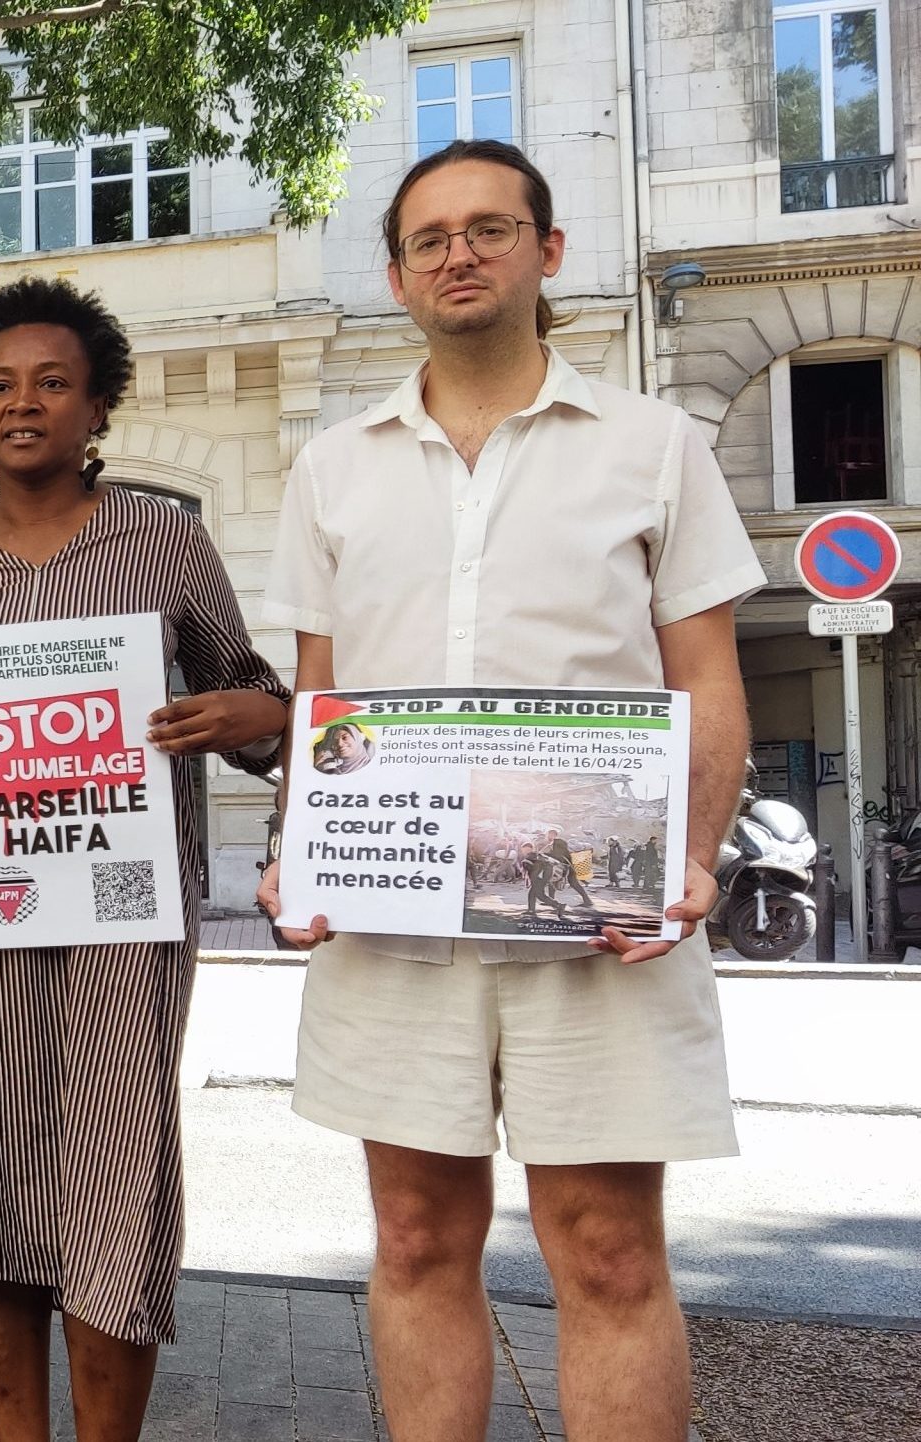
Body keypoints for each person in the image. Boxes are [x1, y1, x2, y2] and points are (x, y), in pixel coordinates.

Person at [257, 140, 761, 1441]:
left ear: (546, 251)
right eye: (430, 238)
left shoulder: (653, 446)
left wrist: (693, 854)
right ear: (396, 275)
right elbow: (322, 696)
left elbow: (707, 677)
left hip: (597, 914)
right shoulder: (332, 467)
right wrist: (297, 849)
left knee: (608, 1252)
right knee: (416, 1238)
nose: (459, 254)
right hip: (392, 921)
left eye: (488, 228)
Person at [0, 278, 291, 1442]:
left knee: (113, 1187)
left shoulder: (166, 541)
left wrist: (245, 715)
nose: (23, 402)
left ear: (98, 406)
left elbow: (263, 703)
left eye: (52, 382)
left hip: (120, 922)